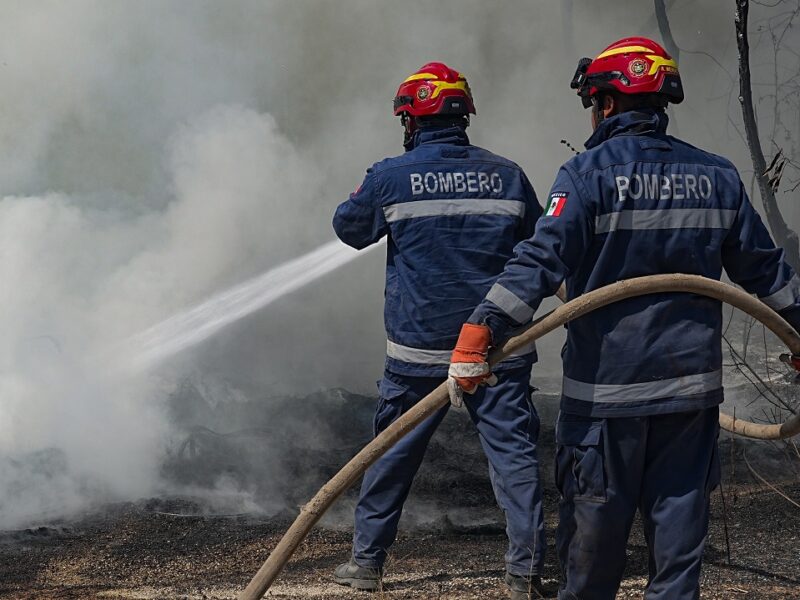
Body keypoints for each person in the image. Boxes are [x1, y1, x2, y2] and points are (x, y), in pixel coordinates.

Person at [448, 38, 800, 600]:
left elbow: (541, 260)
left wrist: (483, 326)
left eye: (594, 100)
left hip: (606, 404)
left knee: (591, 563)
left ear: (607, 104)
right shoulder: (718, 177)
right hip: (689, 402)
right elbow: (766, 270)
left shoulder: (587, 175)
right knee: (676, 566)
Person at [332, 62, 547, 598]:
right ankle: (526, 572)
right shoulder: (508, 174)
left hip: (417, 354)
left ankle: (366, 565)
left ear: (411, 121)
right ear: (463, 116)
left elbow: (348, 229)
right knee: (515, 462)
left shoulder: (390, 175)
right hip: (497, 351)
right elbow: (542, 250)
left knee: (391, 457)